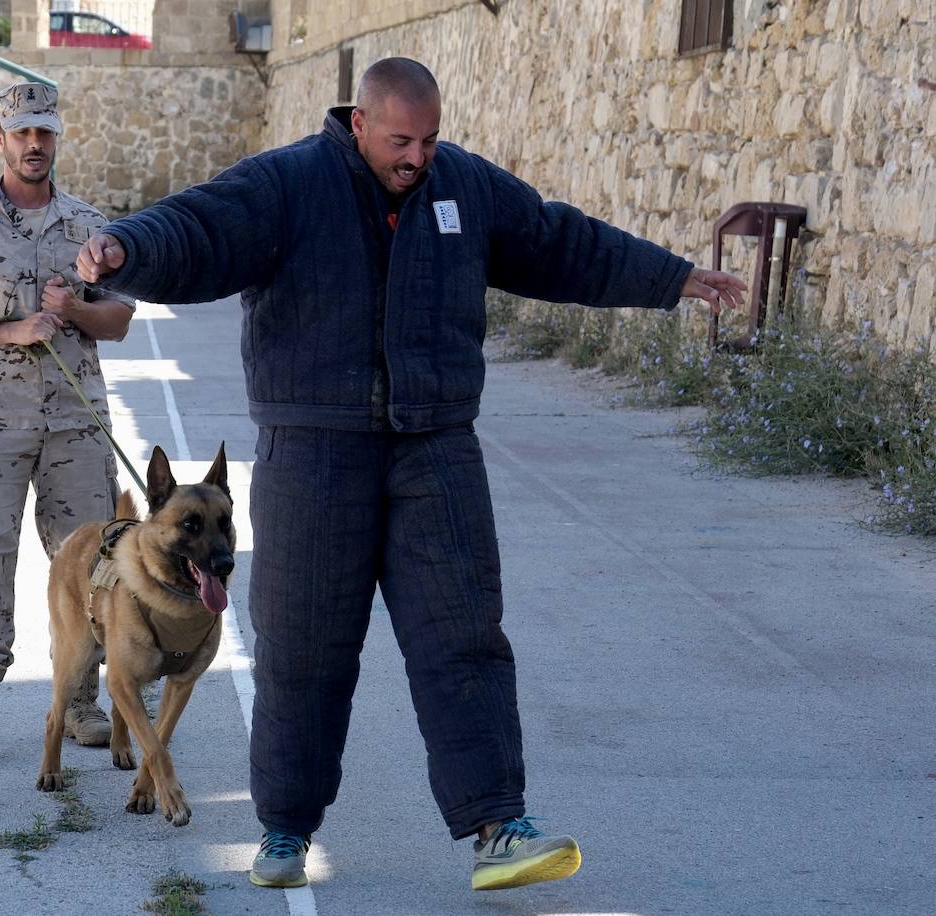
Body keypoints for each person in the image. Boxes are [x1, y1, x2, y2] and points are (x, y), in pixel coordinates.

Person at [77, 57, 745, 890]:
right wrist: (125, 248)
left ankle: (498, 827)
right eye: (401, 140)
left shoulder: (461, 185)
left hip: (436, 447)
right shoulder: (289, 184)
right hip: (314, 450)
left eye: (429, 140)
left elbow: (557, 241)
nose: (417, 157)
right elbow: (201, 230)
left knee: (464, 640)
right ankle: (285, 831)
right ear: (360, 122)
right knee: (302, 652)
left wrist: (672, 277)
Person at [0, 81, 136, 768]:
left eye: (44, 132)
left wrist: (73, 309)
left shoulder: (89, 228)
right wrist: (11, 329)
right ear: (0, 139)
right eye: (22, 133)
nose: (34, 144)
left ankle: (81, 702)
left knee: (94, 568)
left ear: (57, 136)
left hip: (76, 425)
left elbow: (121, 317)